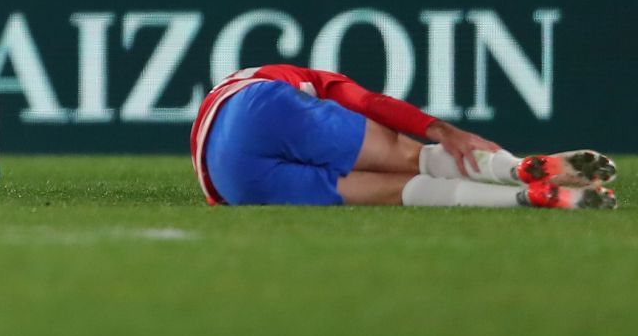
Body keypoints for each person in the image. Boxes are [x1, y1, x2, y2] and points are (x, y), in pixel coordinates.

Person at [191, 63, 614, 209]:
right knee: (410, 156)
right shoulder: (314, 81)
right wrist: (442, 130)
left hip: (224, 177)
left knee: (391, 191)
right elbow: (370, 102)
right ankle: (517, 169)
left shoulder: (247, 83)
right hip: (257, 106)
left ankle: (523, 198)